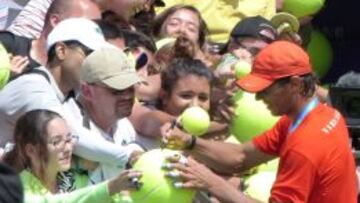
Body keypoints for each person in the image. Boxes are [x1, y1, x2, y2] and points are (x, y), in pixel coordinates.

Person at [161, 41, 358, 202]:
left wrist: (212, 182)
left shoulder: (305, 144)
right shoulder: (320, 115)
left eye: (265, 90)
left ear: (295, 84)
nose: (257, 98)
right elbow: (241, 157)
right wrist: (190, 142)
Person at [3, 109, 141, 203]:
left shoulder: (77, 178)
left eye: (69, 139)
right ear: (31, 150)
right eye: (56, 142)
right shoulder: (16, 189)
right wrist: (109, 188)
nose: (68, 148)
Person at [66, 47, 144, 184]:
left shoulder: (124, 126)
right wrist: (130, 153)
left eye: (131, 87)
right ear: (87, 91)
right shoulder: (65, 120)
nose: (127, 96)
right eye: (117, 90)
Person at [0, 0, 101, 71]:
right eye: (84, 26)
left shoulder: (74, 81)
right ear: (55, 21)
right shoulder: (8, 45)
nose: (92, 34)